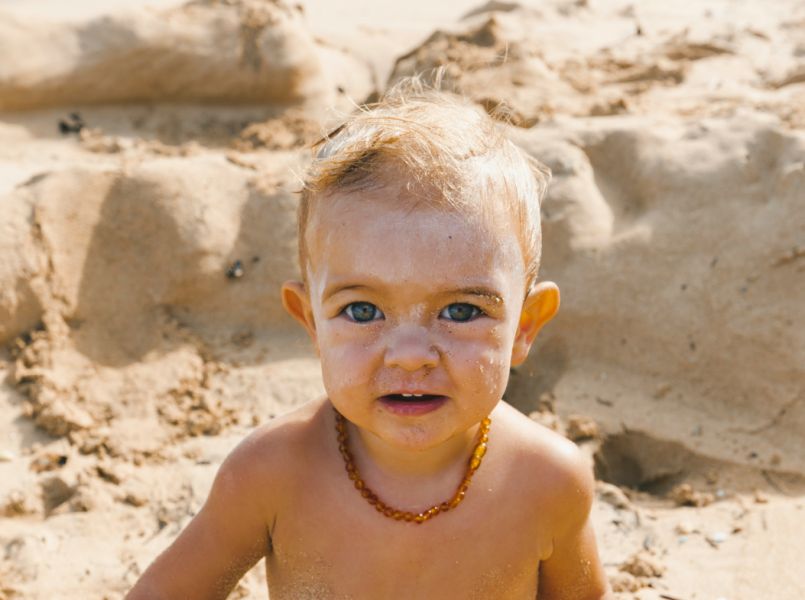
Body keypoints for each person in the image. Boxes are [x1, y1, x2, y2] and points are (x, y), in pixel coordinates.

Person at [127, 80, 611, 599]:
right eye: (362, 310)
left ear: (525, 326)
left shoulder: (548, 482)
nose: (409, 356)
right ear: (311, 322)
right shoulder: (272, 475)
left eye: (461, 310)